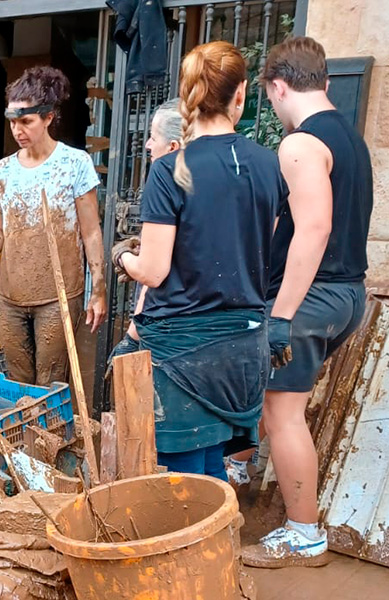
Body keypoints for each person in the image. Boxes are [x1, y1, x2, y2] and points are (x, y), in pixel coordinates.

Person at [113, 41, 287, 479]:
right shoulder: (268, 165)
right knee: (212, 470)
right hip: (242, 349)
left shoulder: (170, 170)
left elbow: (154, 270)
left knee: (180, 486)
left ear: (189, 93)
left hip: (183, 351)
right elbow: (256, 249)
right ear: (241, 94)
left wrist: (124, 258)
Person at [242, 37, 372, 569]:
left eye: (269, 98)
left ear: (277, 86)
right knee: (275, 402)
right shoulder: (349, 138)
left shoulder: (299, 144)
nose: (272, 108)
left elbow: (314, 229)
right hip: (348, 294)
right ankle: (237, 472)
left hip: (311, 300)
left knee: (283, 411)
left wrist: (281, 316)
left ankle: (303, 534)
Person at [0, 66, 107, 387]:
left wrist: (97, 289)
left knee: (51, 381)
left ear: (48, 117)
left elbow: (91, 232)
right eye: (13, 121)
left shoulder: (74, 164)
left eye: (26, 121)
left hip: (57, 296)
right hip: (9, 296)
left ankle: (49, 438)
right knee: (17, 381)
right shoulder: (4, 169)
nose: (18, 129)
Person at [109, 98, 183, 362]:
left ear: (173, 147)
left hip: (169, 332)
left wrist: (122, 257)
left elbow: (152, 275)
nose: (148, 145)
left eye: (153, 138)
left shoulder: (165, 177)